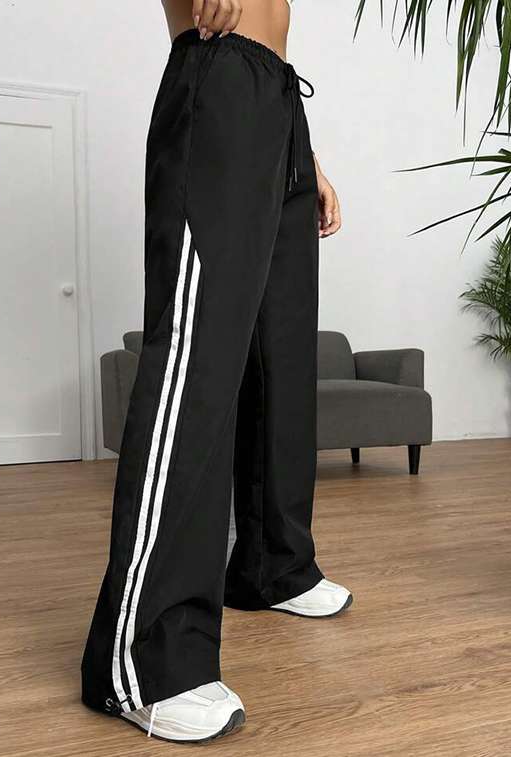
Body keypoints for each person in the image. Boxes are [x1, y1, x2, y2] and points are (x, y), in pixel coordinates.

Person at [81, 0, 352, 744]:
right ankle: (145, 659)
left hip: (278, 106)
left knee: (281, 356)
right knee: (197, 361)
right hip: (221, 76)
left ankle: (273, 565)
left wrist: (303, 154)